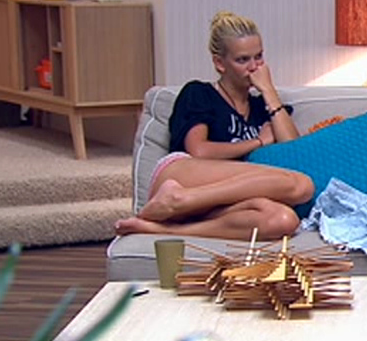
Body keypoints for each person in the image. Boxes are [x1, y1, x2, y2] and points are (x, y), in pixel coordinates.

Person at [114, 12, 314, 240]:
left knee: (283, 220)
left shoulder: (262, 107)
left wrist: (268, 91)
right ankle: (179, 198)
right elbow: (199, 150)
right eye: (243, 60)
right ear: (220, 63)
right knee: (302, 185)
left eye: (259, 57)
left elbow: (294, 152)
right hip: (181, 177)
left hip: (219, 201)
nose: (254, 67)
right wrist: (258, 142)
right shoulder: (200, 94)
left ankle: (166, 226)